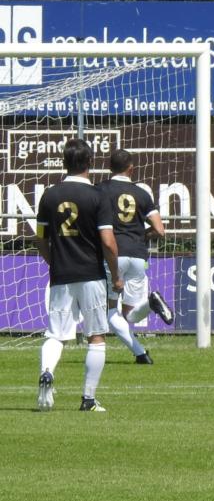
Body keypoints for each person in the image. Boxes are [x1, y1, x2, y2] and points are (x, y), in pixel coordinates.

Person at [33, 137, 124, 412]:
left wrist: (54, 261)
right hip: (91, 274)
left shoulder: (50, 195)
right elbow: (108, 241)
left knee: (56, 334)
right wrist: (116, 275)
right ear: (89, 163)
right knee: (96, 336)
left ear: (64, 162)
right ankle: (88, 399)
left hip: (61, 275)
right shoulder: (98, 196)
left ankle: (47, 371)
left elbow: (40, 238)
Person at [99, 148, 174, 365]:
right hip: (138, 256)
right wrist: (141, 235)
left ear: (109, 167)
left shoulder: (101, 190)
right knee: (130, 315)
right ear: (131, 169)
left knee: (111, 310)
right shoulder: (142, 193)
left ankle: (140, 353)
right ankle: (151, 304)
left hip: (114, 254)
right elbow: (160, 230)